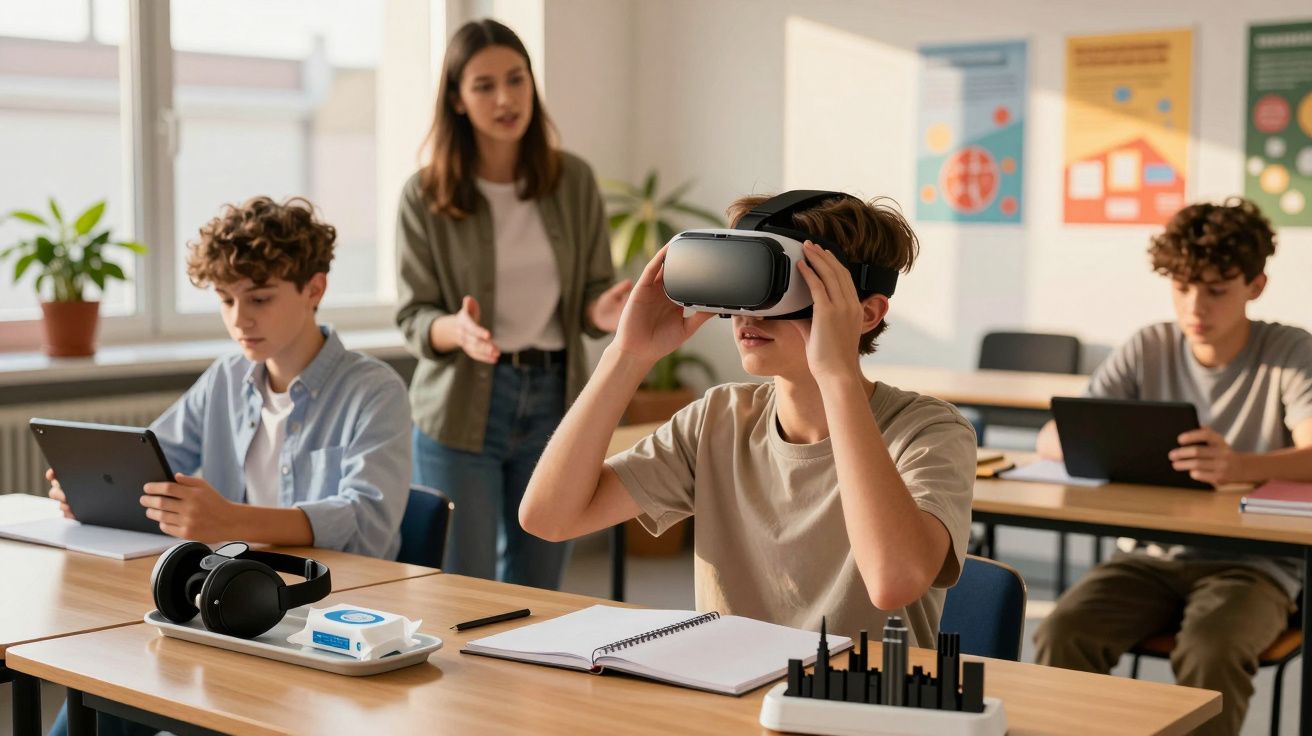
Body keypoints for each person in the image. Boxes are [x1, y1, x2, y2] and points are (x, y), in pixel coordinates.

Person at [519, 192, 976, 644]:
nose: (747, 315)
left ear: (867, 313)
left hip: (862, 704)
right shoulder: (719, 420)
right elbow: (548, 518)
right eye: (744, 288)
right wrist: (627, 354)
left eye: (784, 287)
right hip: (732, 697)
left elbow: (892, 582)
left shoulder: (928, 431)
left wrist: (836, 377)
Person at [46, 195, 412, 735]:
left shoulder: (374, 390)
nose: (240, 319)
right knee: (100, 689)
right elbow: (156, 461)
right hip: (226, 608)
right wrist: (95, 484)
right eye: (225, 299)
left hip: (326, 621)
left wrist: (229, 521)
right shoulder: (225, 378)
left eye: (260, 298)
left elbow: (367, 522)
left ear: (315, 289)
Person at [1033, 197, 1312, 736]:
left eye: (1216, 290)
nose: (1195, 308)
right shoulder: (1150, 344)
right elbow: (1052, 436)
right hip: (1149, 555)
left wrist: (1240, 464)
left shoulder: (1289, 350)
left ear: (1256, 286)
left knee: (1211, 650)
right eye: (1182, 287)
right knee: (1062, 630)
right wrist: (1096, 443)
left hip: (1255, 565)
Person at [394, 19, 628, 589]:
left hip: (555, 400)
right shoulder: (424, 194)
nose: (505, 98)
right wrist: (459, 330)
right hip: (463, 405)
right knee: (464, 587)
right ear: (456, 98)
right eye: (483, 85)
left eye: (516, 79)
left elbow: (592, 297)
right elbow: (413, 317)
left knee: (539, 584)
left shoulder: (572, 180)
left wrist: (608, 312)